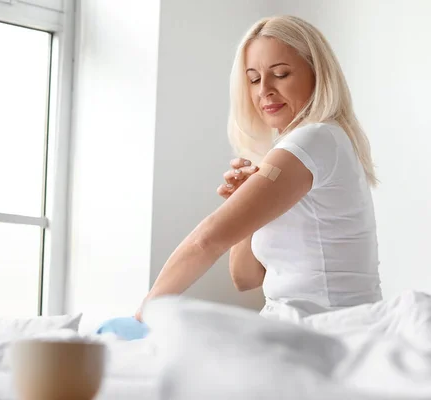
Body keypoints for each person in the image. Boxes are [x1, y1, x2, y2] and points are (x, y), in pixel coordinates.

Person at [135, 15, 381, 322]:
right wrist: (246, 205)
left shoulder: (314, 140)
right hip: (307, 327)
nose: (264, 89)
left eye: (280, 74)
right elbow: (246, 278)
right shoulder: (311, 145)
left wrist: (146, 310)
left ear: (317, 74)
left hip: (328, 329)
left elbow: (207, 240)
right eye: (253, 79)